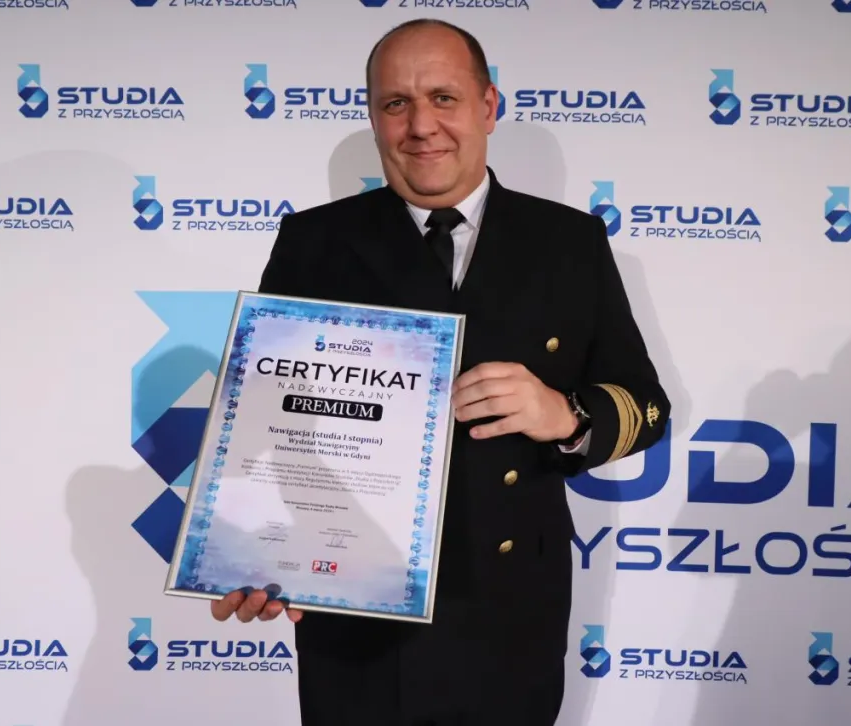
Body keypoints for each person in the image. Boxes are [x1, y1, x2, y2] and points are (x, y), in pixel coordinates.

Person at [210, 18, 671, 726]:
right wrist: (253, 551)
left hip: (508, 612)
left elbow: (646, 407)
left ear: (488, 106)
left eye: (443, 98)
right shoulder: (315, 241)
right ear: (374, 116)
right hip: (355, 614)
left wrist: (565, 416)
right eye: (396, 103)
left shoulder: (568, 242)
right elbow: (265, 424)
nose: (421, 126)